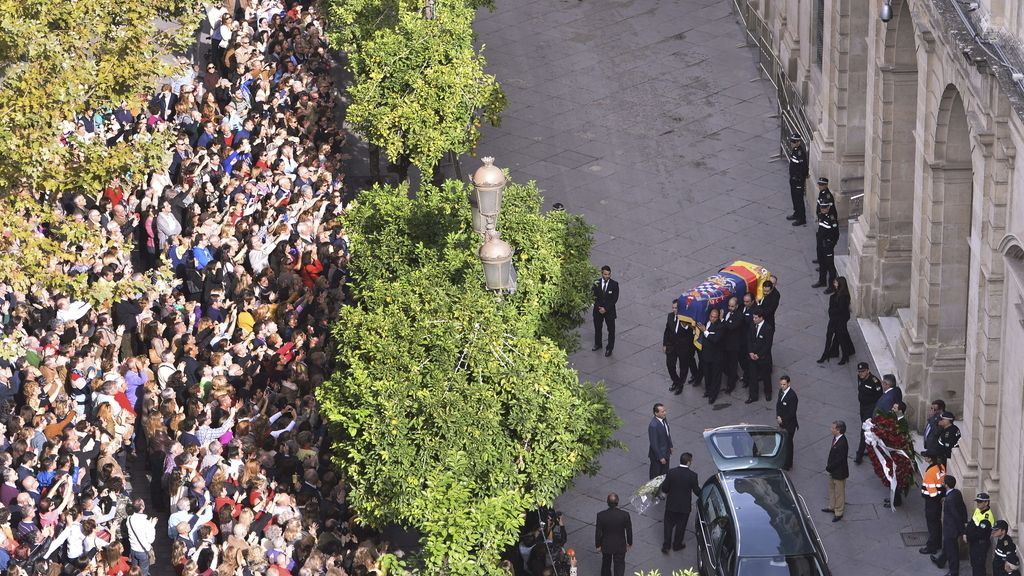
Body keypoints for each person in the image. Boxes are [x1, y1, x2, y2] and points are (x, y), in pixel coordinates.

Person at [659, 453, 700, 554]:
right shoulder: (693, 475)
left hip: (671, 505)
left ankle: (666, 546)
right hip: (684, 507)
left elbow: (665, 488)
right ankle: (677, 545)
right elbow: (697, 491)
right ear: (689, 462)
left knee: (668, 525)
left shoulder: (671, 472)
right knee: (681, 527)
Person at [817, 276, 855, 364]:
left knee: (841, 338)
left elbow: (842, 310)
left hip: (840, 321)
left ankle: (845, 356)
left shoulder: (844, 297)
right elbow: (832, 309)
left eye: (835, 283)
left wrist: (833, 311)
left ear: (840, 284)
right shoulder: (835, 296)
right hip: (833, 320)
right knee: (829, 337)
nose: (834, 284)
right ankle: (825, 354)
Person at [934, 475, 967, 574]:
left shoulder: (949, 500)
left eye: (943, 482)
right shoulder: (956, 493)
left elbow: (956, 515)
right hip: (953, 528)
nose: (942, 483)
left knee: (952, 551)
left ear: (946, 485)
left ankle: (953, 571)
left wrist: (963, 531)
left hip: (951, 529)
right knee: (947, 546)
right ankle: (941, 561)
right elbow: (963, 507)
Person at [595, 493, 632, 576]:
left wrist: (598, 545)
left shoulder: (601, 515)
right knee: (619, 564)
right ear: (617, 502)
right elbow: (629, 530)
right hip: (620, 544)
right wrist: (630, 542)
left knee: (606, 563)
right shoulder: (625, 515)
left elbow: (598, 532)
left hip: (606, 544)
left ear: (607, 502)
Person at [663, 300, 695, 394]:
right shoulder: (670, 316)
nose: (674, 310)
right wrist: (665, 344)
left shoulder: (687, 319)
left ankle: (680, 385)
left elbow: (691, 334)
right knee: (670, 365)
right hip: (671, 346)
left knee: (683, 368)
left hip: (683, 348)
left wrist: (686, 326)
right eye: (673, 308)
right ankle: (676, 381)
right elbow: (667, 331)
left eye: (676, 308)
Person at [854, 362, 883, 464]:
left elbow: (879, 397)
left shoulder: (874, 382)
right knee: (867, 429)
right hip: (863, 407)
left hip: (870, 408)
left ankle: (859, 454)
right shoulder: (860, 378)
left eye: (863, 371)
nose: (860, 373)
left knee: (864, 430)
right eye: (859, 371)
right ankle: (870, 446)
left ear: (868, 371)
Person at [919, 451, 946, 555]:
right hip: (938, 501)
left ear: (930, 459)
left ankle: (931, 547)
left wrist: (935, 498)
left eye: (926, 456)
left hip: (931, 502)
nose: (925, 457)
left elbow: (932, 491)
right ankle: (938, 543)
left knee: (932, 524)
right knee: (937, 523)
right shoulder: (941, 467)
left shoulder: (930, 472)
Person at [745, 308, 774, 403]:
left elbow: (767, 345)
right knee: (752, 377)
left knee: (766, 376)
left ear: (761, 318)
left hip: (763, 357)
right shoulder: (752, 325)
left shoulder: (768, 328)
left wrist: (759, 355)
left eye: (756, 318)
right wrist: (750, 352)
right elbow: (749, 339)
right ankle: (753, 396)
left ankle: (768, 392)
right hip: (752, 356)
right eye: (753, 317)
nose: (754, 319)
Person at [823, 420, 848, 522]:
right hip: (834, 470)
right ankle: (832, 506)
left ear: (838, 430)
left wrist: (830, 467)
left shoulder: (842, 443)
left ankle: (839, 512)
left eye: (833, 428)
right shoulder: (836, 438)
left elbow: (840, 459)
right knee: (832, 489)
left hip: (839, 472)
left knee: (839, 492)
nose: (831, 429)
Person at [698, 308, 724, 403]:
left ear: (718, 317)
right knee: (707, 374)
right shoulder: (706, 322)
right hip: (706, 354)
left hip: (716, 356)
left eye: (715, 317)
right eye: (711, 316)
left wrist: (705, 331)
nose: (712, 319)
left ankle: (713, 394)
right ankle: (708, 391)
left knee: (715, 376)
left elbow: (715, 339)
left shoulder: (720, 326)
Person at [965, 492, 995, 576]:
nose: (978, 503)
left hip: (981, 544)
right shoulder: (978, 510)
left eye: (980, 502)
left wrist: (968, 537)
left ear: (986, 502)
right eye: (977, 501)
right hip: (974, 543)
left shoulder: (987, 517)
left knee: (979, 567)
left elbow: (979, 534)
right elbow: (971, 523)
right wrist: (965, 533)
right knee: (974, 565)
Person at [811, 202, 839, 291]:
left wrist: (831, 245)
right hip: (820, 244)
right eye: (822, 208)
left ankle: (831, 286)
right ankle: (822, 281)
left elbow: (836, 235)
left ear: (828, 208)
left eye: (825, 208)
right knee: (822, 263)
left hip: (828, 246)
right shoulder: (820, 215)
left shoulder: (832, 219)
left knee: (830, 266)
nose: (823, 209)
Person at [720, 297, 745, 393]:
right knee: (725, 363)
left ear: (737, 306)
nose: (730, 308)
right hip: (725, 344)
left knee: (732, 364)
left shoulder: (739, 316)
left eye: (732, 306)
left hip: (733, 345)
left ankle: (731, 385)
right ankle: (733, 376)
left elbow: (731, 327)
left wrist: (722, 320)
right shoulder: (727, 313)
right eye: (729, 306)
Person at [592, 265, 618, 357]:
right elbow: (593, 297)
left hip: (609, 312)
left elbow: (614, 299)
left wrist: (605, 308)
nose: (607, 276)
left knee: (611, 331)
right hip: (598, 311)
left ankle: (609, 348)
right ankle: (598, 344)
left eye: (608, 274)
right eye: (605, 274)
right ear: (602, 273)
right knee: (597, 328)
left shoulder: (614, 284)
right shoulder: (596, 283)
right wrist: (599, 308)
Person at [126, 498, 157, 576]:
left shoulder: (129, 519)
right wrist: (152, 525)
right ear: (142, 507)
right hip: (143, 552)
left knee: (134, 572)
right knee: (143, 573)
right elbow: (150, 540)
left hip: (133, 549)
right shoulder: (146, 523)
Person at [775, 375, 799, 470]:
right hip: (782, 422)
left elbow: (792, 413)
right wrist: (778, 416)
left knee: (788, 444)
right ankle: (784, 460)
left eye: (784, 384)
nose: (782, 386)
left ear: (789, 383)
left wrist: (783, 419)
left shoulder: (792, 396)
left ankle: (788, 464)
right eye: (781, 384)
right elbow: (778, 405)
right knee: (784, 442)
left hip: (790, 425)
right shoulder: (781, 392)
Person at [786, 133, 808, 226]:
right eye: (792, 141)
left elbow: (803, 168)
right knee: (794, 198)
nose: (792, 143)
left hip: (798, 180)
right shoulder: (795, 150)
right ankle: (796, 213)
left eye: (794, 142)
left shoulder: (800, 153)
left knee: (799, 200)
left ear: (799, 142)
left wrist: (799, 178)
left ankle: (802, 218)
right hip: (793, 179)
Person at [647, 403, 672, 479]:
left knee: (664, 472)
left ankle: (662, 486)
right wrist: (660, 457)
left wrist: (670, 445)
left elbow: (667, 433)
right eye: (662, 412)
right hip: (657, 456)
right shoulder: (653, 426)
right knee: (656, 474)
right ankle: (654, 490)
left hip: (666, 452)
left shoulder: (664, 419)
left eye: (665, 411)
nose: (665, 413)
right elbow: (654, 444)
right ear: (656, 413)